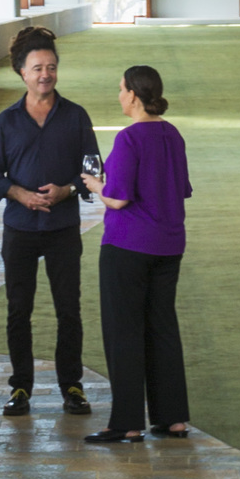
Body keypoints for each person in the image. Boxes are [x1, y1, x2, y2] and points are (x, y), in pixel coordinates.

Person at [0, 26, 99, 418]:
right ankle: (20, 388)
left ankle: (72, 386)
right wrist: (19, 193)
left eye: (51, 67)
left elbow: (92, 168)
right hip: (19, 229)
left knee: (69, 309)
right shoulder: (7, 121)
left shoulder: (76, 116)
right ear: (21, 72)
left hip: (64, 229)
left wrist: (67, 190)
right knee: (19, 309)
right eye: (37, 68)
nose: (45, 74)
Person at [84, 65, 192, 448]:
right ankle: (173, 418)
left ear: (133, 94)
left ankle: (128, 423)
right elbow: (182, 188)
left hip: (128, 245)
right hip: (169, 245)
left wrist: (97, 185)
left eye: (120, 89)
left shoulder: (129, 138)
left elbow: (118, 197)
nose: (118, 96)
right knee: (163, 328)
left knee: (123, 332)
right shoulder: (173, 134)